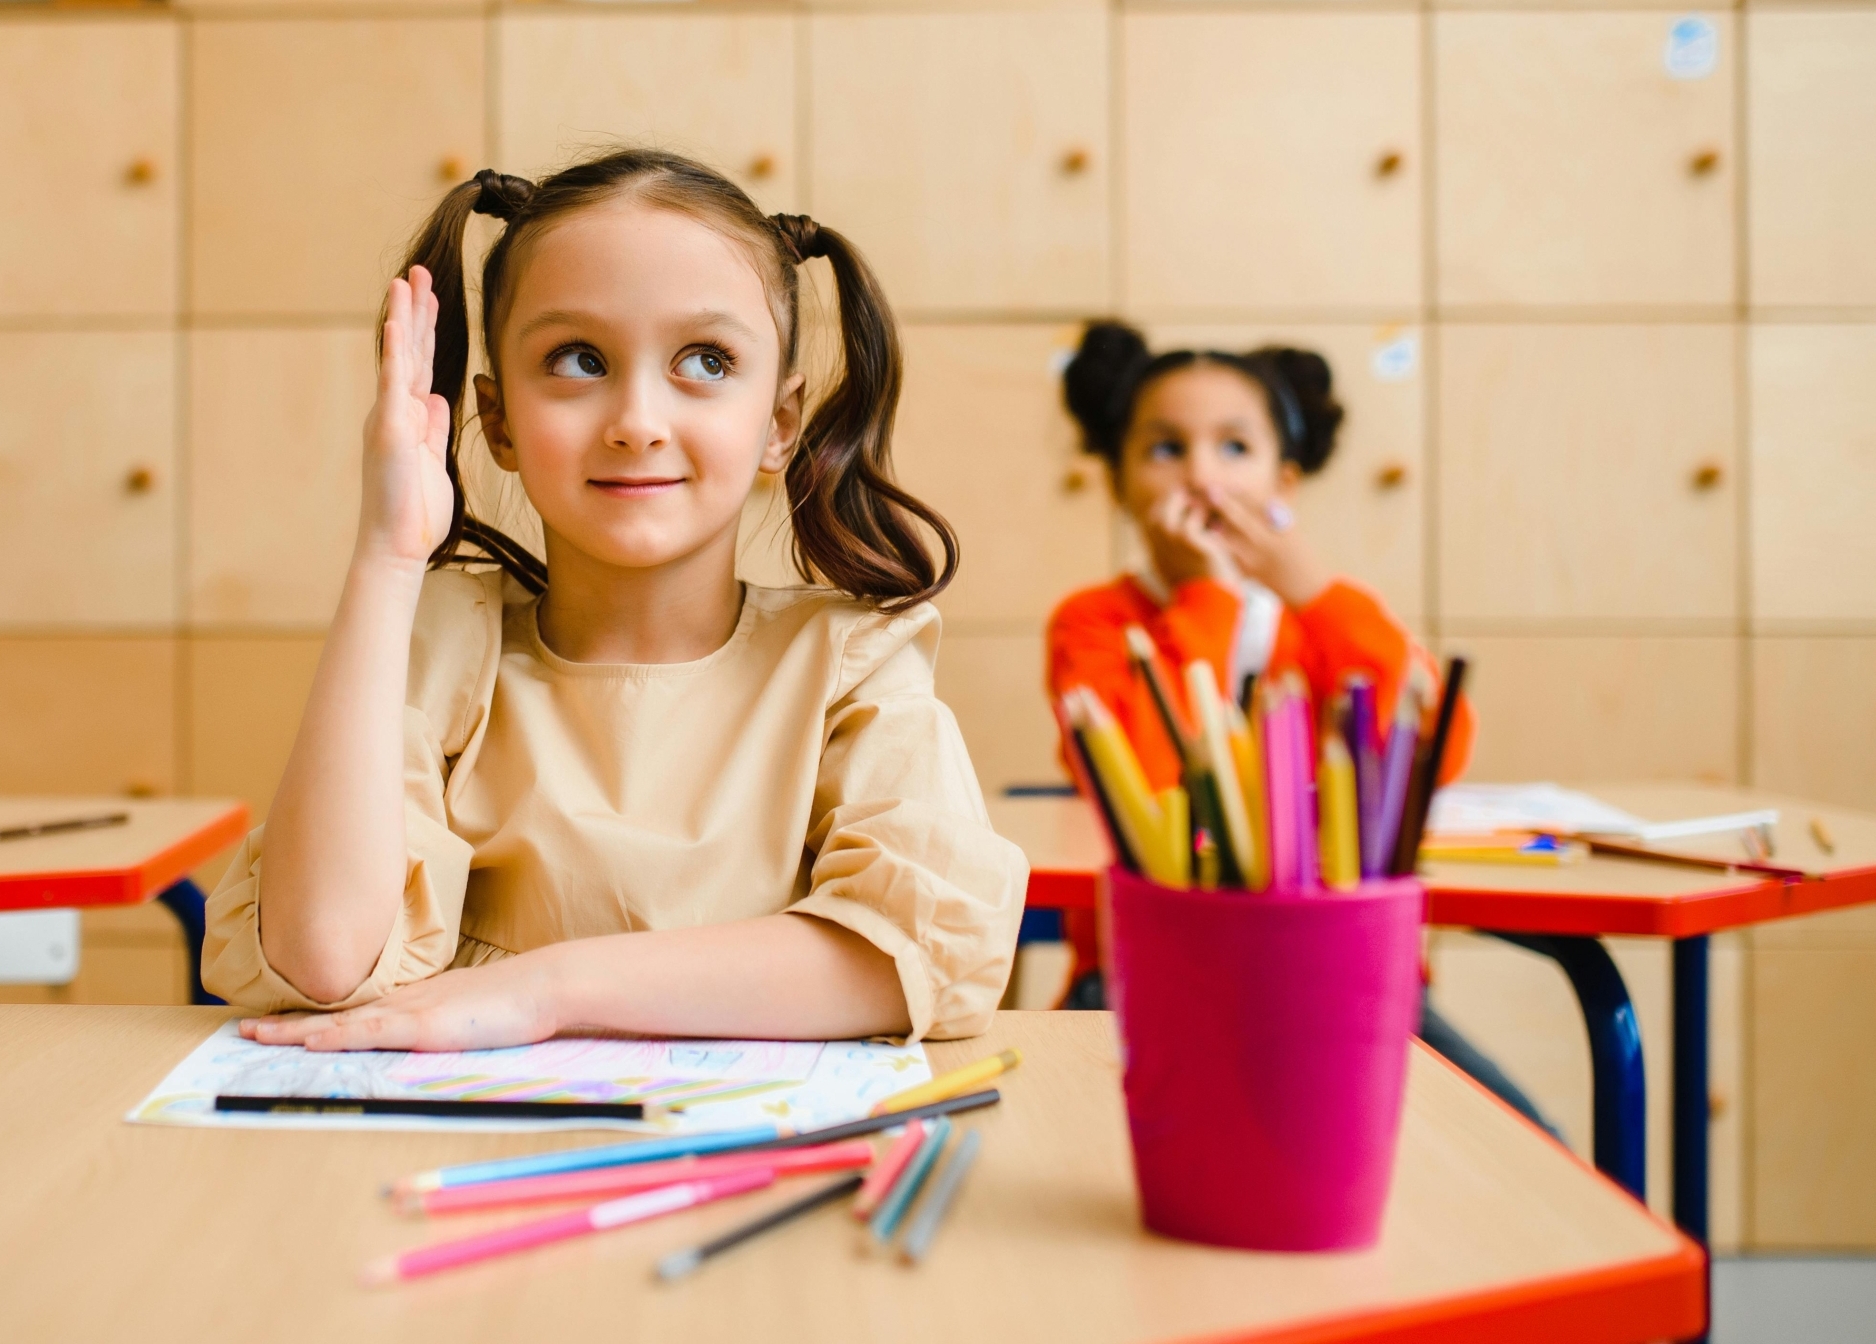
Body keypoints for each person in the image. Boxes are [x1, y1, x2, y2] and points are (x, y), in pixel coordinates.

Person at [202, 150, 1029, 1052]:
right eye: (578, 359)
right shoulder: (441, 639)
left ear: (780, 425)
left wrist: (549, 988)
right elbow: (322, 955)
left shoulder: (851, 663)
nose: (638, 418)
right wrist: (387, 555)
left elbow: (913, 956)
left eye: (706, 361)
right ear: (499, 420)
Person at [1043, 321, 1548, 1133]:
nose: (1202, 475)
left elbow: (1433, 750)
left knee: (1527, 1150)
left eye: (1234, 448)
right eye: (1165, 449)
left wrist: (1311, 589)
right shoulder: (1095, 623)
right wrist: (1206, 600)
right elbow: (1150, 769)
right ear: (1116, 480)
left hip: (1341, 969)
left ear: (1287, 479)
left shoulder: (1323, 621)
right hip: (1150, 970)